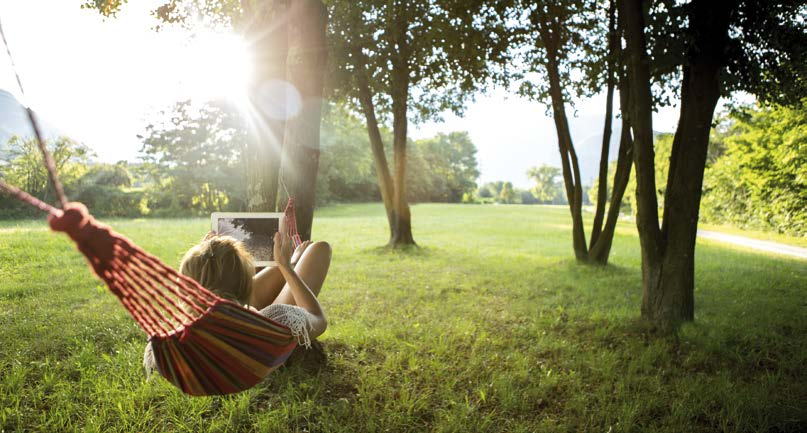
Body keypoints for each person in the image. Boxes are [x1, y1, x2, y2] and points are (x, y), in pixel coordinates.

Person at [143, 224, 331, 376]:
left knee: (309, 253)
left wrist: (206, 259)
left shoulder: (172, 337)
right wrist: (286, 268)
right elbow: (317, 319)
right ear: (245, 285)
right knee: (320, 249)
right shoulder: (275, 322)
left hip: (231, 321)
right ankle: (291, 261)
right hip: (256, 329)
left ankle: (291, 260)